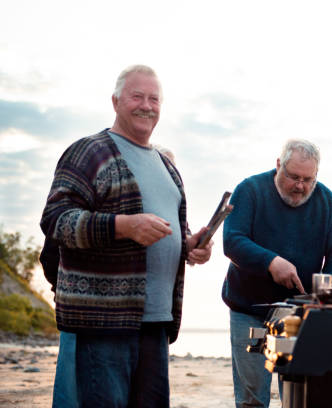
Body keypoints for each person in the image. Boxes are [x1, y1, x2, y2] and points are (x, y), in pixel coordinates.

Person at [40, 65, 213, 407]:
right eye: (137, 96)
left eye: (154, 99)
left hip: (157, 322)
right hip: (104, 323)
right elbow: (56, 220)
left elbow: (168, 229)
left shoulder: (167, 166)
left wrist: (190, 245)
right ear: (116, 101)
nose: (146, 105)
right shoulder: (89, 151)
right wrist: (124, 225)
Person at [222, 139, 332, 408]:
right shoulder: (250, 190)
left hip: (299, 317)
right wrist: (271, 262)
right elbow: (232, 240)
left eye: (308, 179)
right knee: (251, 400)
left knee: (299, 400)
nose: (300, 186)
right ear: (279, 165)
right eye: (293, 176)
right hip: (250, 311)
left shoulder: (327, 201)